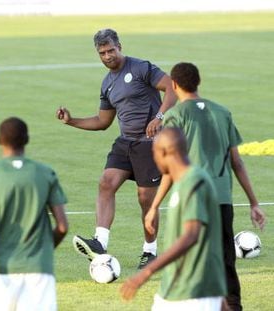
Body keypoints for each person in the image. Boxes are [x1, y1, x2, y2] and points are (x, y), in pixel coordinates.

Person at [145, 62, 266, 310]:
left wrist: (154, 206)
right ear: (198, 82)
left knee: (189, 260)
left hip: (191, 200)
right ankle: (232, 306)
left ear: (175, 85)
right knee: (225, 261)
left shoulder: (176, 116)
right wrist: (254, 202)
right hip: (222, 199)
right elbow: (237, 162)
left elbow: (172, 166)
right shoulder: (223, 113)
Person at [56, 28, 177, 268]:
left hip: (150, 144)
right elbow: (102, 122)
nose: (108, 56)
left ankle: (150, 251)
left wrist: (159, 116)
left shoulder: (141, 68)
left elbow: (172, 88)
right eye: (103, 53)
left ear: (119, 46)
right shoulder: (107, 83)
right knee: (106, 182)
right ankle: (100, 241)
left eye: (111, 50)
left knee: (145, 200)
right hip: (125, 143)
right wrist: (71, 121)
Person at [0, 117, 69, 310]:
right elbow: (62, 227)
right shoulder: (45, 174)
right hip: (39, 270)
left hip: (0, 271)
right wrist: (43, 250)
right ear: (26, 139)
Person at [121, 127, 227, 310]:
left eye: (154, 152)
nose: (154, 159)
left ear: (164, 152)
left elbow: (191, 235)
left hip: (193, 293)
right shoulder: (183, 182)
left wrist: (146, 272)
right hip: (173, 289)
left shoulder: (194, 182)